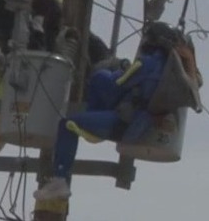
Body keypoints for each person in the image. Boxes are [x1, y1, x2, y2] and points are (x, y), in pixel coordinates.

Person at [32, 23, 173, 201]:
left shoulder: (146, 63)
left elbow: (118, 84)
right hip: (141, 123)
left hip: (124, 122)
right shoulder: (165, 67)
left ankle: (60, 180)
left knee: (68, 124)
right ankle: (91, 125)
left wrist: (106, 70)